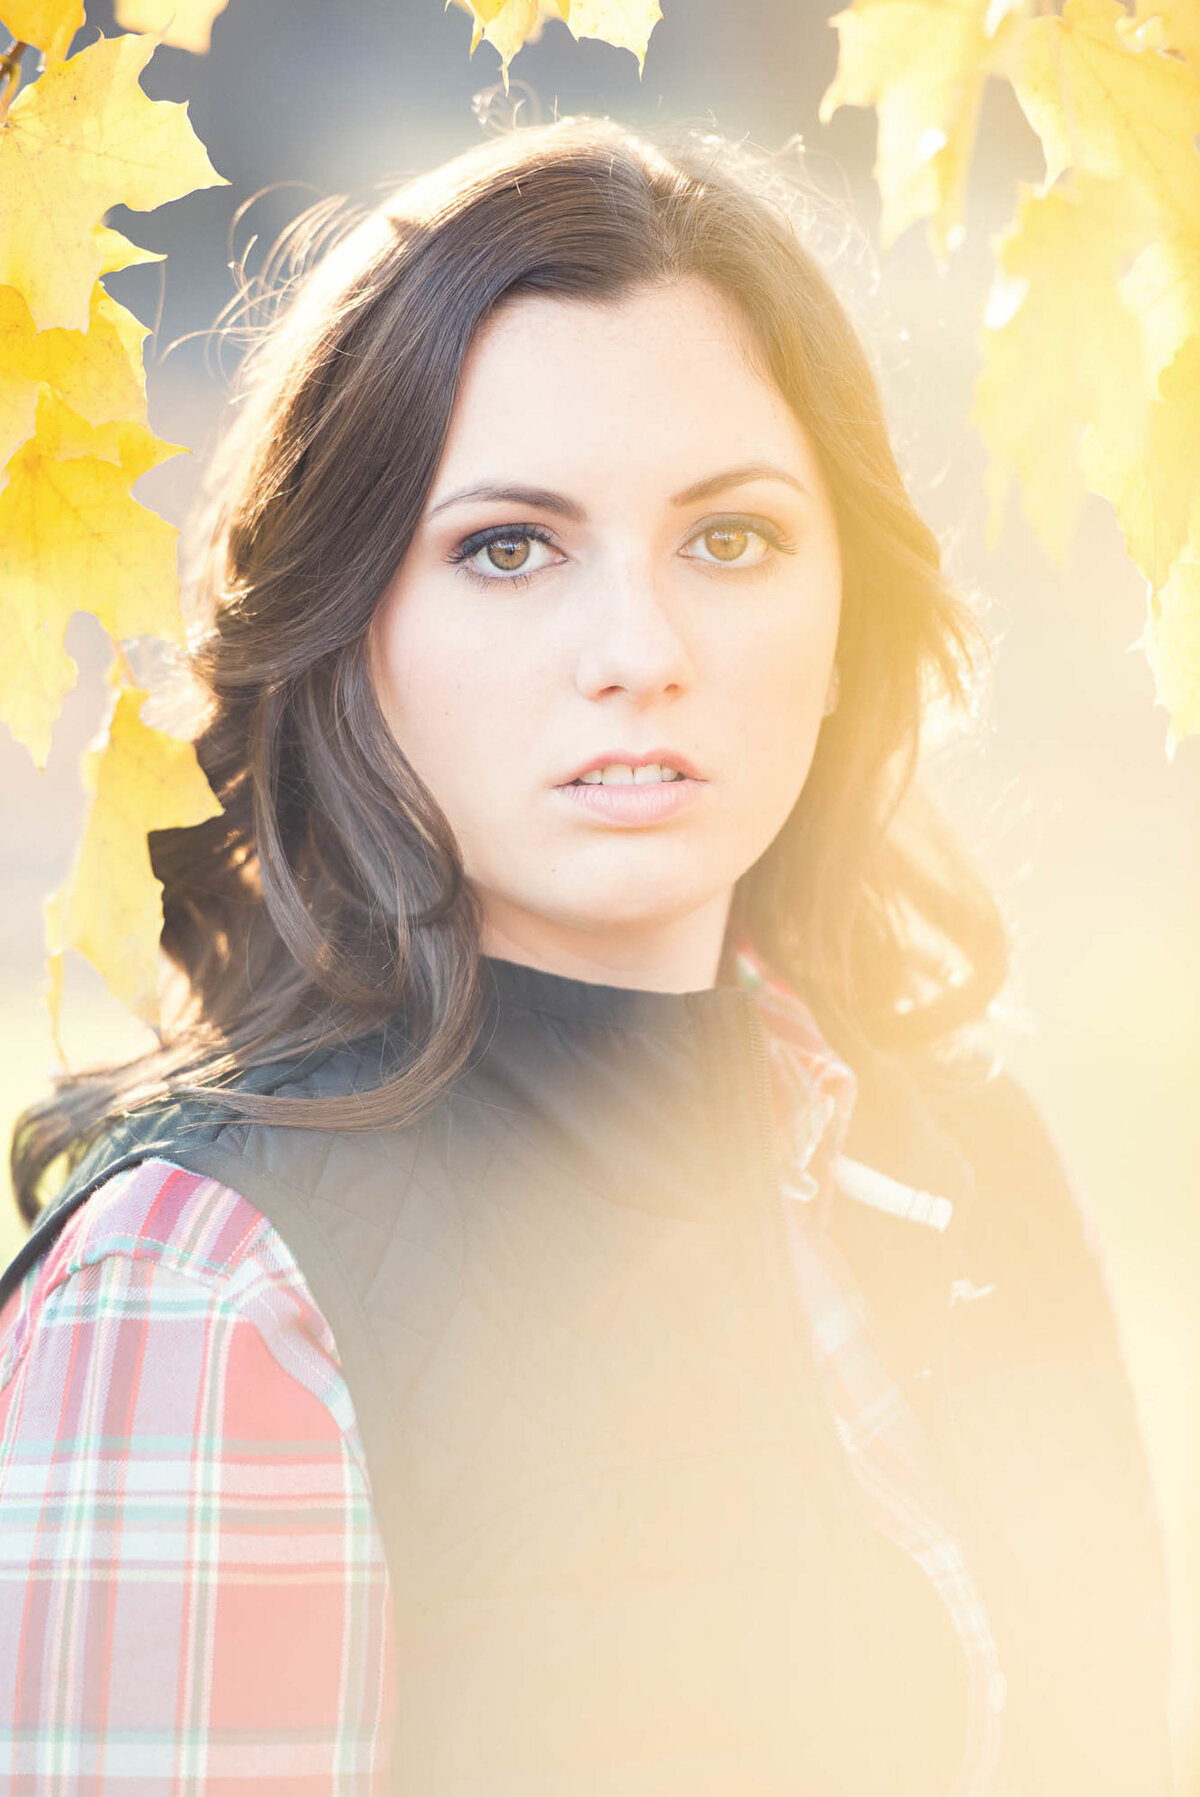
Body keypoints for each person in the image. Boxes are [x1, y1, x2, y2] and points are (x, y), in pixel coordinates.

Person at [0, 116, 1173, 1796]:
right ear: (355, 633)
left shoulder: (970, 1164)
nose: (641, 651)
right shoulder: (210, 1285)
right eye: (508, 547)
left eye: (732, 539)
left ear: (849, 613)